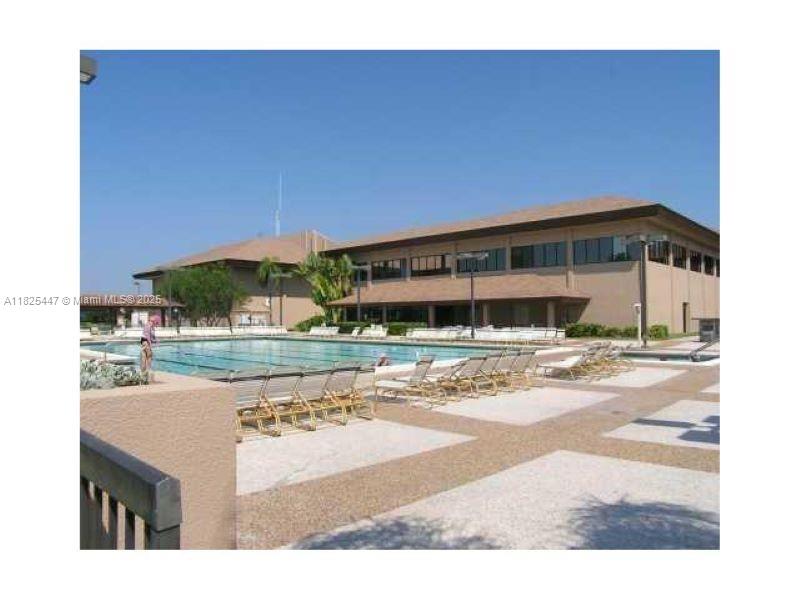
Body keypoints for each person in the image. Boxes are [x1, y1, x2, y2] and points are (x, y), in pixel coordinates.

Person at [140, 316, 157, 380]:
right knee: (149, 355)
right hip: (145, 341)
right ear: (149, 321)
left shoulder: (152, 327)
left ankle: (143, 372)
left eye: (153, 321)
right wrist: (150, 344)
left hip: (145, 341)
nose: (152, 322)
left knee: (144, 357)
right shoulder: (148, 326)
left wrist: (155, 341)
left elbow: (152, 337)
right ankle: (148, 370)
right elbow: (147, 336)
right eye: (151, 321)